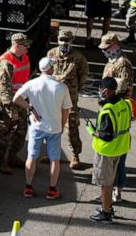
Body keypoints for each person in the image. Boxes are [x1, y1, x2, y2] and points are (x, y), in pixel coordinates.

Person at [13, 56, 72, 199]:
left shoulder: (32, 84)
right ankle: (52, 190)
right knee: (54, 159)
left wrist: (31, 108)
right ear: (51, 68)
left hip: (37, 127)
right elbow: (66, 110)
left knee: (32, 156)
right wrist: (63, 125)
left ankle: (28, 187)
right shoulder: (62, 87)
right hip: (54, 128)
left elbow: (16, 99)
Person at [88, 77, 132, 223]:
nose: (99, 91)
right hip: (120, 148)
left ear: (107, 91)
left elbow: (106, 135)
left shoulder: (107, 110)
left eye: (100, 88)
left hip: (106, 151)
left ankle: (106, 213)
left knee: (105, 183)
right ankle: (108, 206)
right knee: (110, 180)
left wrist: (92, 131)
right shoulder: (125, 104)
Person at [100, 32, 134, 204]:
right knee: (111, 154)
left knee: (119, 157)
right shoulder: (112, 60)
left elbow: (125, 87)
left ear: (114, 46)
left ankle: (117, 191)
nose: (104, 52)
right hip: (110, 105)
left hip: (118, 108)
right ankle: (109, 188)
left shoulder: (123, 63)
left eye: (106, 49)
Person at [47, 29, 89, 170]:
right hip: (53, 97)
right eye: (61, 40)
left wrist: (74, 89)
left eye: (66, 40)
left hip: (70, 98)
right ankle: (51, 153)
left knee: (71, 127)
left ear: (71, 41)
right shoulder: (52, 54)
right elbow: (46, 72)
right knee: (52, 126)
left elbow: (83, 76)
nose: (64, 43)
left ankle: (75, 155)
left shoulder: (78, 57)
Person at [0, 32, 31, 174]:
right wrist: (11, 110)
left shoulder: (24, 57)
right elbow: (4, 89)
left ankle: (12, 156)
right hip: (7, 102)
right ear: (16, 45)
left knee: (21, 130)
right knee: (4, 131)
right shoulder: (6, 63)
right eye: (25, 45)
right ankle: (1, 161)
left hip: (20, 99)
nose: (28, 48)